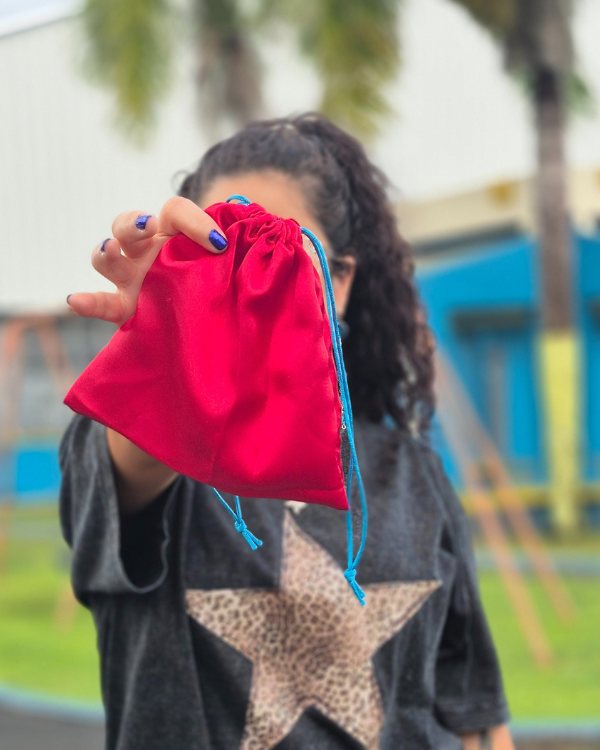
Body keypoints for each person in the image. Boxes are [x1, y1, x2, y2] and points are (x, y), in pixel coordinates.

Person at [60, 112, 514, 750]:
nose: (248, 286)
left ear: (343, 281)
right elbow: (131, 466)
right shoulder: (142, 442)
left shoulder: (413, 470)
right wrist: (163, 349)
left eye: (278, 257)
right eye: (223, 255)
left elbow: (474, 711)